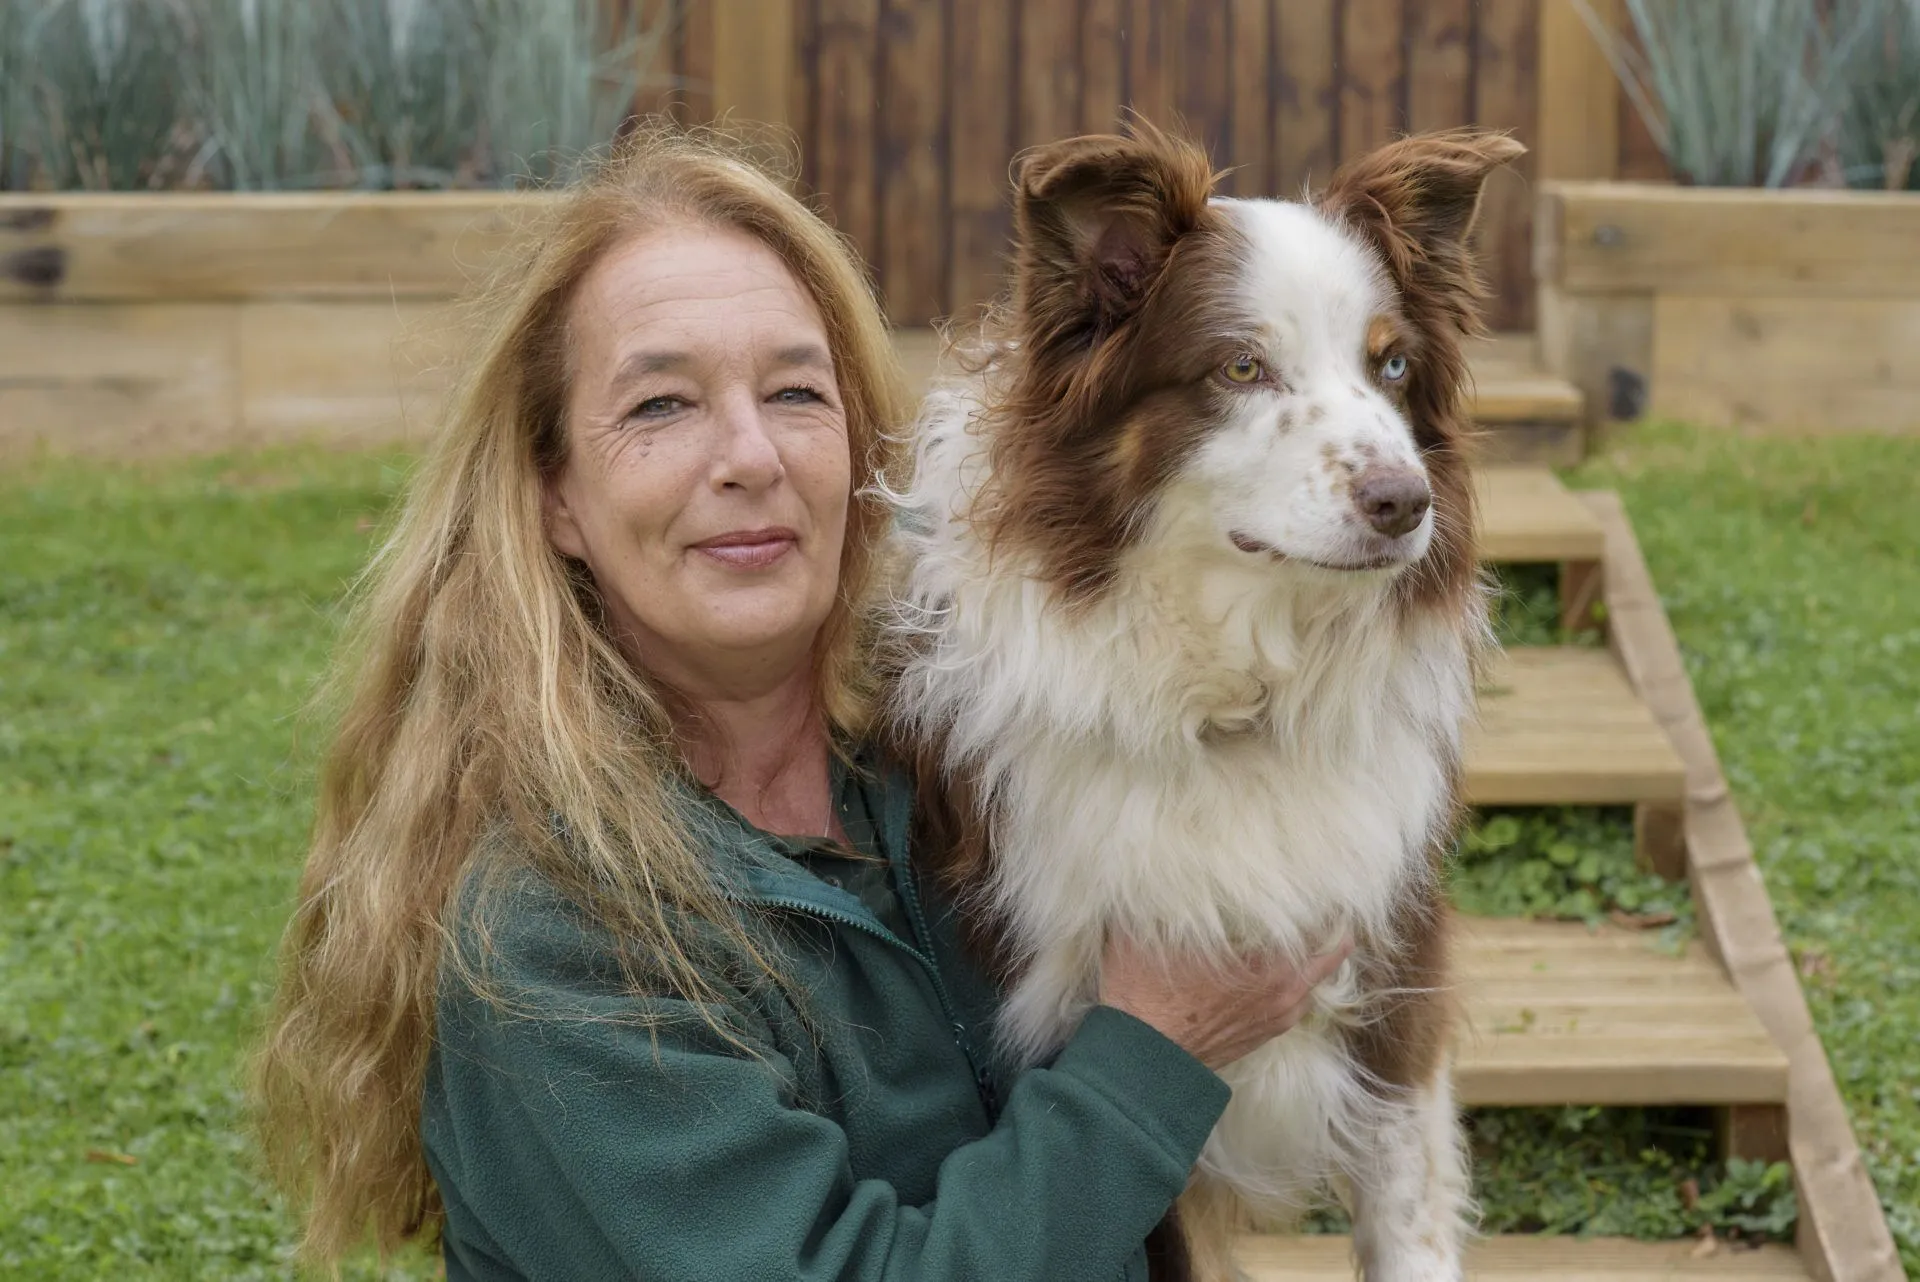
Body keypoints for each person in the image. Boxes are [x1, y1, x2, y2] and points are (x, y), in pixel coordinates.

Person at [252, 123, 1351, 1281]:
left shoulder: (954, 754)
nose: (750, 456)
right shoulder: (551, 934)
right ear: (556, 497)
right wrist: (1156, 1045)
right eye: (661, 407)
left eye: (794, 391)